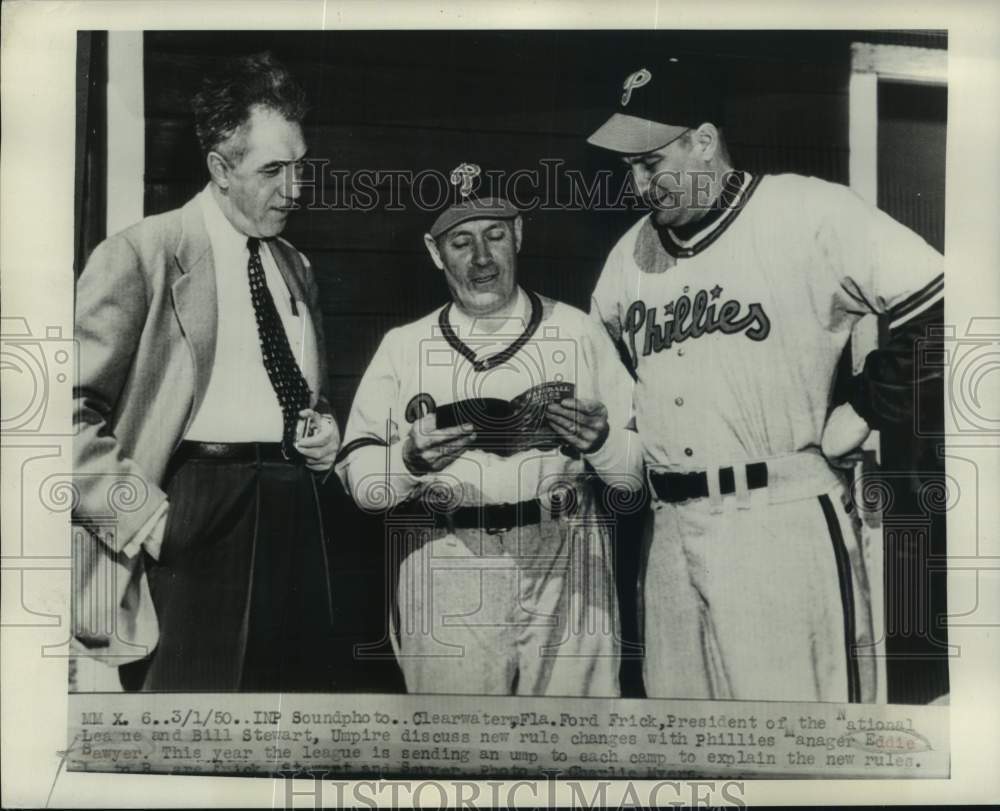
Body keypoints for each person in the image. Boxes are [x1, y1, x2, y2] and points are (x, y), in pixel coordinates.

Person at [585, 61, 944, 703]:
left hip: (776, 516)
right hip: (668, 531)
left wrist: (866, 406)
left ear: (703, 140)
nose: (640, 185)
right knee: (689, 756)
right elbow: (618, 393)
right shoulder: (628, 258)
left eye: (652, 162)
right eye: (629, 169)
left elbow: (950, 302)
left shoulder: (807, 211)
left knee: (802, 751)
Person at [72, 53, 342, 692]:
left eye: (300, 165)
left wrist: (323, 436)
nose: (295, 189)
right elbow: (63, 416)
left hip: (292, 509)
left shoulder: (297, 266)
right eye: (272, 170)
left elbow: (299, 394)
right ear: (220, 168)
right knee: (187, 726)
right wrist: (148, 519)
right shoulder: (142, 255)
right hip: (189, 509)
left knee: (287, 724)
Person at [335, 164, 642, 696]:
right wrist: (409, 459)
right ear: (435, 253)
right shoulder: (403, 346)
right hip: (446, 551)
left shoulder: (579, 331)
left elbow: (636, 477)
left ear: (518, 234)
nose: (482, 258)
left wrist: (603, 442)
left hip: (565, 550)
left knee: (577, 744)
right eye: (461, 242)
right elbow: (363, 486)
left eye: (495, 235)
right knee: (454, 749)